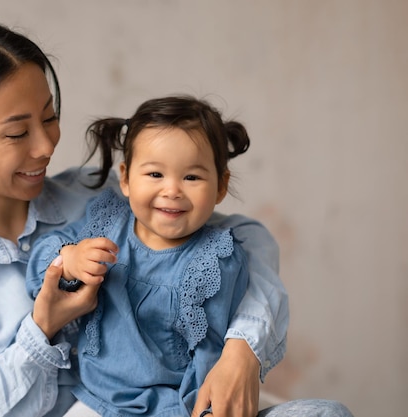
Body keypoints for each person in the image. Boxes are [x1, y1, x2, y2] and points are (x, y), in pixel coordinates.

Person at [0, 21, 343, 417]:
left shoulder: (99, 197)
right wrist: (40, 329)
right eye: (17, 132)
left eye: (49, 116)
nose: (46, 146)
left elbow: (242, 238)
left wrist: (243, 347)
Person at [26, 96, 353, 417]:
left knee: (327, 413)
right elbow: (41, 268)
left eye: (191, 177)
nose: (172, 190)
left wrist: (207, 409)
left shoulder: (216, 260)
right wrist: (69, 259)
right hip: (100, 400)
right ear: (125, 178)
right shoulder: (106, 222)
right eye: (155, 174)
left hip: (177, 407)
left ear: (221, 186)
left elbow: (210, 356)